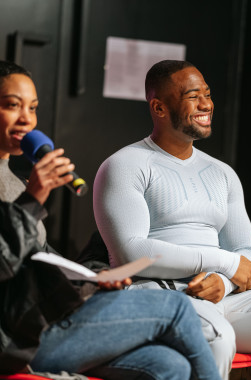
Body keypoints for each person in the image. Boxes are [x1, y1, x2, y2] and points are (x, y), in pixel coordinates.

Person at [93, 59, 251, 380]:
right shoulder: (125, 165)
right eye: (193, 96)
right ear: (159, 107)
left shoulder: (222, 173)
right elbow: (129, 254)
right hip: (157, 297)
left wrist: (224, 281)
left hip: (217, 298)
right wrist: (223, 263)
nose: (206, 104)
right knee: (218, 337)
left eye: (208, 93)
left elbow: (244, 253)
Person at [0, 60, 222, 380]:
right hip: (14, 341)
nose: (27, 118)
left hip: (40, 324)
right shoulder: (27, 191)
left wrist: (95, 277)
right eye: (12, 105)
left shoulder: (14, 181)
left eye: (32, 108)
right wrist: (33, 200)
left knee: (168, 365)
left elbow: (38, 263)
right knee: (176, 308)